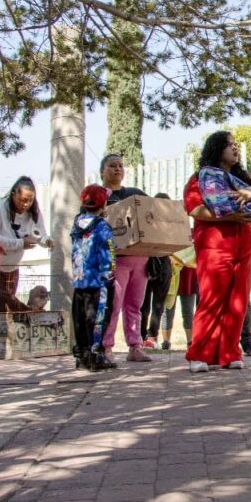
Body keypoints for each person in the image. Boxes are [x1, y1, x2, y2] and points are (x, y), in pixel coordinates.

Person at [184, 131, 251, 373]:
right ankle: (200, 353)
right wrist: (228, 215)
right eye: (229, 144)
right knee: (212, 298)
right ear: (216, 148)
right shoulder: (199, 178)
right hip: (215, 243)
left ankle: (230, 352)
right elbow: (195, 209)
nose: (235, 148)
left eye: (236, 144)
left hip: (245, 242)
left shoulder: (245, 178)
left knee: (238, 300)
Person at [99, 154, 152, 364]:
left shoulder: (135, 194)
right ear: (102, 171)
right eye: (112, 166)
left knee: (135, 305)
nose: (117, 169)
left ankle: (135, 346)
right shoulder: (97, 196)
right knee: (113, 304)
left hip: (141, 259)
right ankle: (106, 348)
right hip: (115, 260)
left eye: (120, 166)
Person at [70, 184, 118, 371]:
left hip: (80, 280)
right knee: (98, 319)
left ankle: (81, 355)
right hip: (99, 282)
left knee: (80, 319)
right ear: (103, 204)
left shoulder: (76, 223)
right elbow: (109, 251)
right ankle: (95, 355)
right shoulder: (101, 226)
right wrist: (110, 275)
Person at [0, 177, 53, 311]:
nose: (26, 204)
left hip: (13, 267)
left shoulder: (33, 211)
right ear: (13, 194)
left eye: (30, 200)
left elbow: (38, 234)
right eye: (23, 200)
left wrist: (46, 241)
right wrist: (20, 243)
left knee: (8, 310)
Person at [140, 193, 174, 349]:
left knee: (158, 305)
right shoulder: (145, 219)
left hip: (164, 263)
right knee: (143, 304)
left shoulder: (172, 223)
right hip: (146, 262)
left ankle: (152, 336)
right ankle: (140, 337)